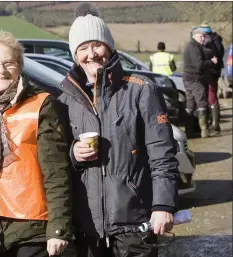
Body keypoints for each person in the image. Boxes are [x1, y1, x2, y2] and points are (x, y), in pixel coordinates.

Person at [59, 5, 180, 257]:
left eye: (97, 45)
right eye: (82, 48)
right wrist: (74, 154)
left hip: (135, 221)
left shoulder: (140, 90)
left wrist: (163, 205)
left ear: (110, 48)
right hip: (88, 225)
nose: (91, 54)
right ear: (74, 55)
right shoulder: (66, 98)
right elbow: (56, 160)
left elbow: (162, 154)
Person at [0, 30, 73, 257]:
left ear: (19, 65)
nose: (0, 71)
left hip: (33, 229)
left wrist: (59, 229)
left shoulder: (42, 105)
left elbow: (57, 173)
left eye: (8, 63)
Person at [183, 28, 218, 138]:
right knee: (202, 104)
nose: (203, 38)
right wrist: (211, 62)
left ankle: (189, 131)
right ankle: (204, 131)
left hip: (188, 79)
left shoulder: (191, 46)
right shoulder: (194, 47)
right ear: (194, 36)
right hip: (195, 80)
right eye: (200, 36)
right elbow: (199, 65)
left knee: (190, 105)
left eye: (204, 36)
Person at [199, 24, 224, 132]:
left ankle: (214, 124)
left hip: (210, 72)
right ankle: (214, 123)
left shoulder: (210, 41)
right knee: (211, 95)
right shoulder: (217, 40)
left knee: (211, 96)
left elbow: (214, 56)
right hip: (214, 71)